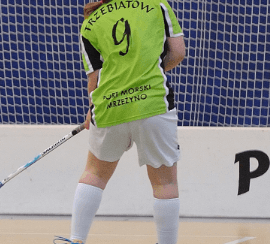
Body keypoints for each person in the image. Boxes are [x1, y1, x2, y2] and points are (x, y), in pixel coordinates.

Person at [54, 0, 186, 243]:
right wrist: (149, 71)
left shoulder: (90, 22)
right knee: (165, 182)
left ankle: (76, 239)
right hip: (153, 104)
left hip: (108, 107)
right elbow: (178, 52)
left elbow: (94, 78)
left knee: (94, 174)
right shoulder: (156, 4)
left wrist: (91, 111)